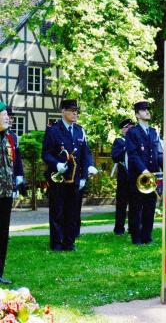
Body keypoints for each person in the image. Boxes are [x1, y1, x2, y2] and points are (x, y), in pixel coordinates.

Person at [42, 99, 95, 251]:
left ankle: (69, 242)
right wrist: (56, 164)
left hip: (75, 179)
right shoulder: (53, 130)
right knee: (57, 211)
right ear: (63, 111)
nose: (75, 113)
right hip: (58, 178)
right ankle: (57, 243)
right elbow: (45, 154)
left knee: (72, 212)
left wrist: (87, 171)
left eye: (76, 111)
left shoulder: (79, 130)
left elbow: (86, 153)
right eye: (72, 110)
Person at [125, 100, 166, 245]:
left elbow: (158, 153)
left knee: (150, 207)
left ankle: (147, 236)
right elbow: (132, 154)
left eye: (148, 109)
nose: (147, 112)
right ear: (137, 114)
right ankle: (136, 237)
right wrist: (143, 170)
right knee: (136, 207)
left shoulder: (153, 132)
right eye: (144, 110)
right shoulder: (132, 132)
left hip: (151, 176)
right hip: (138, 176)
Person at [0, 102, 23, 284]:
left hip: (6, 193)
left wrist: (16, 185)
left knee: (3, 234)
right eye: (3, 114)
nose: (7, 117)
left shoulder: (10, 138)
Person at [111, 118, 134, 235]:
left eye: (131, 127)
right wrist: (126, 147)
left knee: (135, 204)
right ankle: (119, 229)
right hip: (123, 178)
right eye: (127, 128)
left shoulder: (137, 140)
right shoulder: (119, 141)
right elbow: (115, 156)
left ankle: (133, 227)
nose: (130, 130)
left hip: (135, 176)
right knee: (121, 204)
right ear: (122, 130)